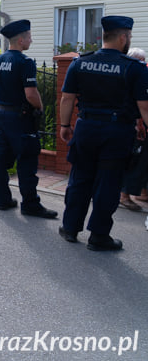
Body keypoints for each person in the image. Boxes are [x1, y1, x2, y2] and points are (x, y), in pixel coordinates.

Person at [59, 16, 148, 251]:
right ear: (123, 37)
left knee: (80, 179)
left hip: (86, 128)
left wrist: (65, 126)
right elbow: (144, 107)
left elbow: (67, 97)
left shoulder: (80, 63)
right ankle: (98, 236)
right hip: (116, 132)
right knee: (108, 184)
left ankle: (70, 228)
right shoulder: (134, 68)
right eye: (128, 36)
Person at [0, 20, 57, 218]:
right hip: (21, 118)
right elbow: (31, 94)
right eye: (29, 37)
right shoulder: (25, 62)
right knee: (27, 161)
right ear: (20, 40)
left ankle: (3, 200)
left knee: (1, 159)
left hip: (2, 115)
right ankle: (30, 205)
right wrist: (40, 107)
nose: (31, 40)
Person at [121, 47, 148, 210]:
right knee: (134, 160)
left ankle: (142, 192)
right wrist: (139, 124)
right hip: (134, 124)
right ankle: (125, 195)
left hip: (139, 123)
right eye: (140, 61)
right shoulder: (130, 77)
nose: (143, 64)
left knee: (143, 160)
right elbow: (138, 105)